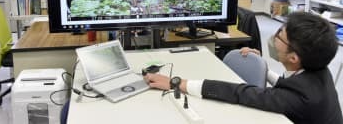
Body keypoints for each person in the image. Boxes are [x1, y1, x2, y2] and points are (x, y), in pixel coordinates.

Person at [144, 12, 343, 124]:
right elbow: (290, 85)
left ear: (293, 57)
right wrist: (265, 68)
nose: (273, 37)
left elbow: (240, 93)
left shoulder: (302, 98)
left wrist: (178, 83)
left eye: (279, 35)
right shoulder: (318, 69)